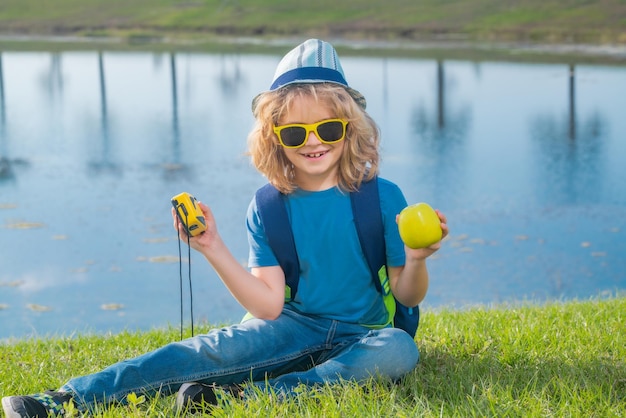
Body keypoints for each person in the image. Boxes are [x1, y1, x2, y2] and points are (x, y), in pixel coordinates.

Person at [2, 38, 448, 417]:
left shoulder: (382, 197)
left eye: (328, 128)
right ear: (275, 137)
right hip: (292, 324)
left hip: (365, 334)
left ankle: (242, 396)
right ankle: (65, 400)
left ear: (349, 129)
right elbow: (269, 306)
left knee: (398, 350)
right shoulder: (269, 206)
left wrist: (415, 259)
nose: (313, 142)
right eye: (295, 133)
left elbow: (407, 295)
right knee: (204, 351)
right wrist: (213, 247)